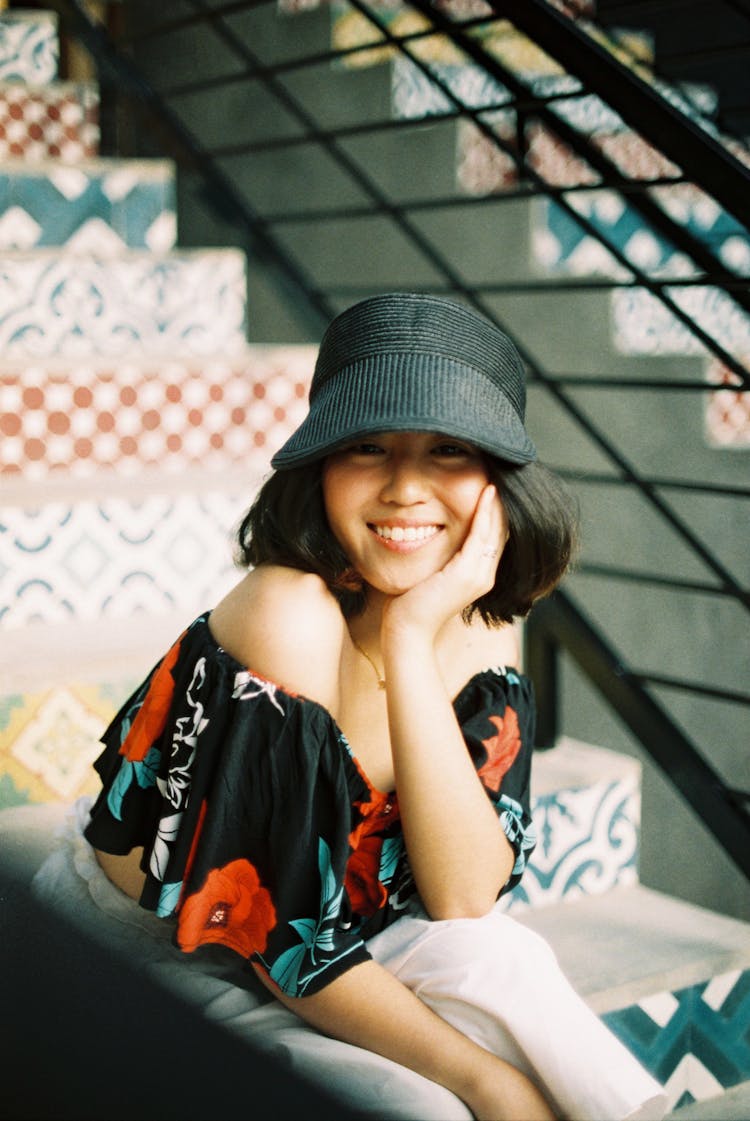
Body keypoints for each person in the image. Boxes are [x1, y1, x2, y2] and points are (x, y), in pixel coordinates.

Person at [31, 293, 667, 1121]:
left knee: (510, 961)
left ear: (499, 485)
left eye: (448, 450)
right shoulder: (286, 609)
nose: (406, 487)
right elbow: (282, 944)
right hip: (158, 959)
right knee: (429, 1105)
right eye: (368, 445)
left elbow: (465, 898)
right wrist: (486, 1080)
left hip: (348, 937)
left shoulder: (483, 619)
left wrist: (408, 640)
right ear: (322, 465)